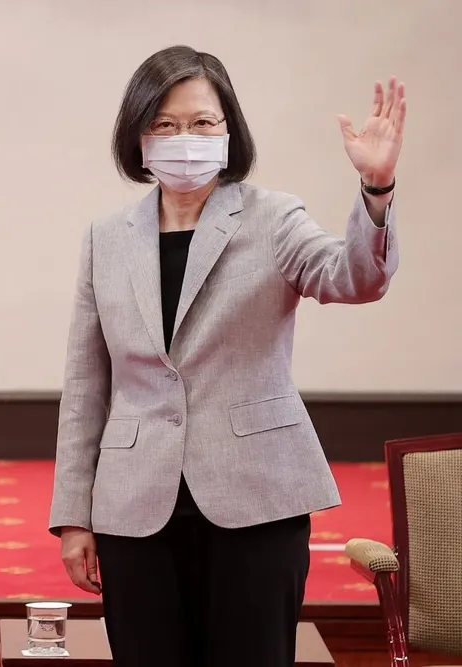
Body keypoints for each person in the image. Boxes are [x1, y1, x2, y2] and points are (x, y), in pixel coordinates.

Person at [49, 45, 404, 667]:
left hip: (256, 498)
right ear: (137, 137)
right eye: (165, 124)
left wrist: (376, 189)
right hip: (135, 508)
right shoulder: (106, 238)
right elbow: (86, 386)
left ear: (229, 130)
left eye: (202, 123)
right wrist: (74, 516)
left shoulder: (273, 218)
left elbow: (355, 278)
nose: (185, 138)